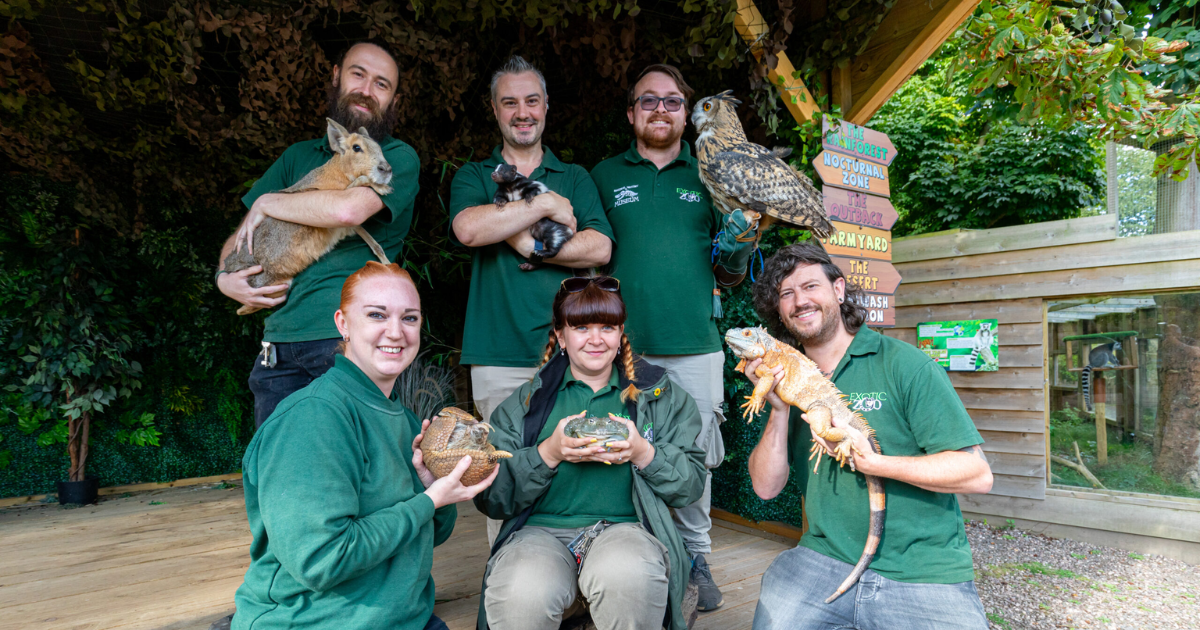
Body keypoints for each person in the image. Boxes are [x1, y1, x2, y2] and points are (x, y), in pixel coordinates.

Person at [230, 261, 496, 630]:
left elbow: (429, 535)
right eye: (376, 315)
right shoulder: (313, 418)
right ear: (343, 324)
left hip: (406, 619)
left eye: (410, 318)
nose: (396, 332)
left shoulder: (403, 419)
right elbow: (321, 560)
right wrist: (428, 501)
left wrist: (432, 489)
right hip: (312, 621)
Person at [743, 242, 994, 629]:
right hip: (822, 558)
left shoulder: (904, 364)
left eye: (810, 286)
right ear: (778, 310)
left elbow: (976, 474)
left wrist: (876, 463)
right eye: (786, 294)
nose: (799, 301)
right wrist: (778, 411)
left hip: (920, 570)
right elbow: (764, 488)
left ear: (839, 290)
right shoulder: (790, 375)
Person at [590, 63, 759, 611]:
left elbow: (731, 273)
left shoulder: (707, 172)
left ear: (687, 114)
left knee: (695, 456)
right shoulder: (604, 175)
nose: (660, 109)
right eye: (648, 101)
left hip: (695, 342)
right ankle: (630, 550)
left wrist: (738, 246)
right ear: (631, 113)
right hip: (622, 346)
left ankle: (696, 555)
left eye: (671, 102)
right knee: (617, 447)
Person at [473, 276, 706, 630]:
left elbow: (690, 486)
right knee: (521, 594)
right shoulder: (524, 402)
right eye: (581, 327)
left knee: (629, 579)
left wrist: (643, 452)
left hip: (626, 530)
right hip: (540, 533)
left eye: (607, 327)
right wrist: (548, 452)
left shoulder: (660, 396)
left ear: (621, 332)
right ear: (561, 336)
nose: (596, 339)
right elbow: (492, 498)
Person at [449, 55, 614, 544]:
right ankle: (508, 577)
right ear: (496, 111)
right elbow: (470, 228)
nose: (522, 112)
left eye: (531, 101)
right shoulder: (476, 175)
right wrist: (542, 205)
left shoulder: (576, 176)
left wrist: (528, 246)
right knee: (503, 475)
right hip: (498, 353)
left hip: (572, 353)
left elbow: (600, 248)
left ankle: (571, 584)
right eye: (510, 102)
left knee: (573, 466)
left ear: (545, 107)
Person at [216, 40, 421, 428]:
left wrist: (270, 203)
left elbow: (348, 209)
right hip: (277, 344)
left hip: (349, 343)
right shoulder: (298, 157)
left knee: (353, 472)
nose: (366, 89)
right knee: (277, 468)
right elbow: (243, 233)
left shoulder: (397, 156)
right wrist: (226, 278)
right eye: (358, 74)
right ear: (336, 76)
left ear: (394, 100)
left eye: (382, 84)